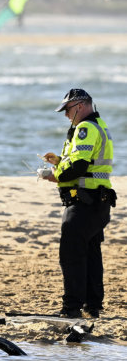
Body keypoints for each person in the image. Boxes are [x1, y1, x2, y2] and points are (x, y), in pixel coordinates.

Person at [42, 88, 116, 319]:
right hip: (98, 202)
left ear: (81, 106)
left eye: (67, 110)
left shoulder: (84, 128)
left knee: (71, 255)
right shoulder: (100, 125)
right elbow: (85, 162)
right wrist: (60, 161)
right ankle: (92, 306)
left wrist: (54, 175)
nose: (65, 115)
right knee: (92, 253)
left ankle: (71, 307)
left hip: (84, 202)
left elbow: (79, 167)